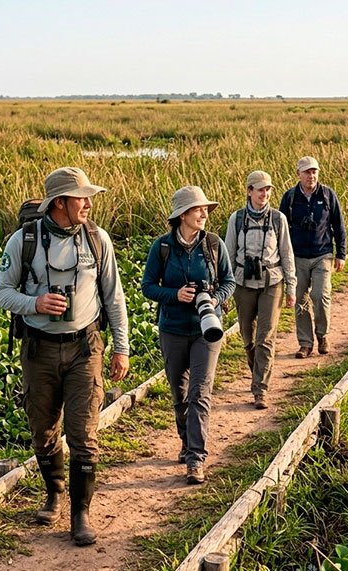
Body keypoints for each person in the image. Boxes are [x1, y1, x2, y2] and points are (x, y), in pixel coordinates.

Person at [0, 166, 130, 546]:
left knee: (84, 435)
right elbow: (0, 292)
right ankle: (54, 493)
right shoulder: (24, 241)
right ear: (59, 202)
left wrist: (122, 348)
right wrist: (34, 303)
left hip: (85, 348)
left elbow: (114, 299)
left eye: (88, 197)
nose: (88, 203)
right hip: (39, 350)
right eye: (80, 197)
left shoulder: (98, 240)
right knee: (44, 430)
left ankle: (80, 514)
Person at [141, 186, 235, 485]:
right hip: (173, 328)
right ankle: (185, 441)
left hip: (208, 330)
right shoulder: (162, 247)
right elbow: (148, 286)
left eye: (206, 209)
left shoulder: (214, 244)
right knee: (179, 392)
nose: (204, 214)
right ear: (182, 215)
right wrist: (175, 295)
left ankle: (196, 458)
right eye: (198, 209)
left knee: (200, 392)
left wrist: (215, 298)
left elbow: (230, 281)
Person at [225, 171, 296, 409]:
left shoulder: (278, 219)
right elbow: (228, 255)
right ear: (249, 191)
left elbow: (287, 254)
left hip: (272, 282)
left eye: (268, 189)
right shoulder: (236, 219)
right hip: (243, 283)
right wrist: (223, 290)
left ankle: (260, 389)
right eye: (260, 189)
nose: (264, 193)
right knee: (248, 338)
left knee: (266, 338)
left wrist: (291, 288)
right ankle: (257, 372)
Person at [279, 156, 346, 358]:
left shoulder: (327, 195)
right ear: (298, 174)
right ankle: (305, 344)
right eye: (307, 172)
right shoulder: (290, 197)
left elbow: (339, 225)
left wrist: (341, 253)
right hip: (297, 255)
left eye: (314, 171)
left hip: (322, 254)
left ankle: (322, 336)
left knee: (320, 295)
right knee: (300, 298)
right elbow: (281, 228)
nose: (311, 176)